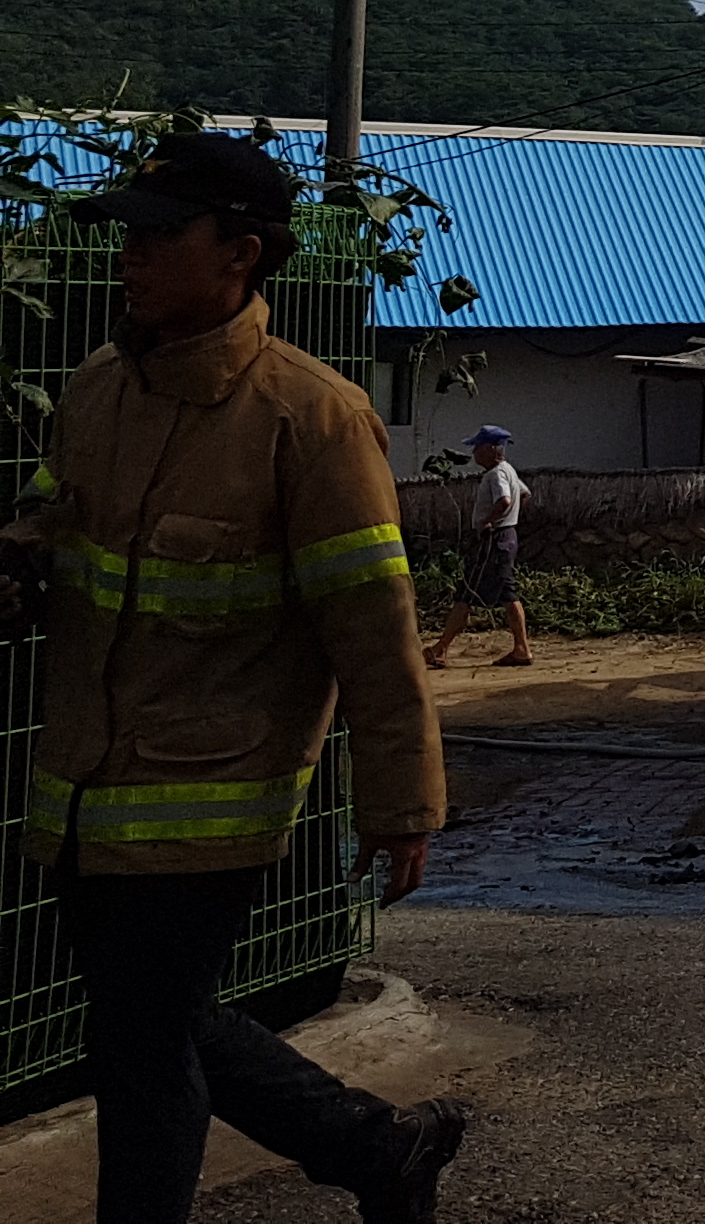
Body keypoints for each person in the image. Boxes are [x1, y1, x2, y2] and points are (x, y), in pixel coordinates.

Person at [0, 131, 468, 1224]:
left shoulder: (313, 417)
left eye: (161, 235)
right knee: (151, 1018)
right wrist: (21, 560)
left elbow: (376, 630)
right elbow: (50, 516)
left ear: (241, 253)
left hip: (211, 797)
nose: (131, 255)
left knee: (143, 1043)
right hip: (82, 788)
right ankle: (379, 1148)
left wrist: (402, 806)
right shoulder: (98, 387)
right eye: (128, 234)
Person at [418, 424, 532, 669]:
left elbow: (505, 500)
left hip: (494, 540)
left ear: (491, 449)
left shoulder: (495, 475)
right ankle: (521, 648)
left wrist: (489, 521)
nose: (474, 453)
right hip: (506, 537)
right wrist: (510, 518)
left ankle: (441, 649)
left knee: (467, 593)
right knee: (506, 594)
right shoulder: (509, 470)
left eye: (477, 447)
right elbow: (524, 494)